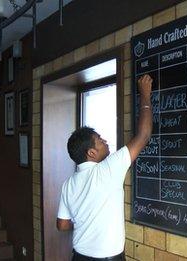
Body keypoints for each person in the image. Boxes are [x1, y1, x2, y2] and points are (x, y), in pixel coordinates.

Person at [56, 74, 153, 261]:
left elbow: (62, 224)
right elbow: (143, 136)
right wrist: (145, 96)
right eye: (100, 140)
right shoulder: (108, 169)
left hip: (79, 257)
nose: (105, 141)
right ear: (91, 153)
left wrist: (85, 222)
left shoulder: (68, 184)